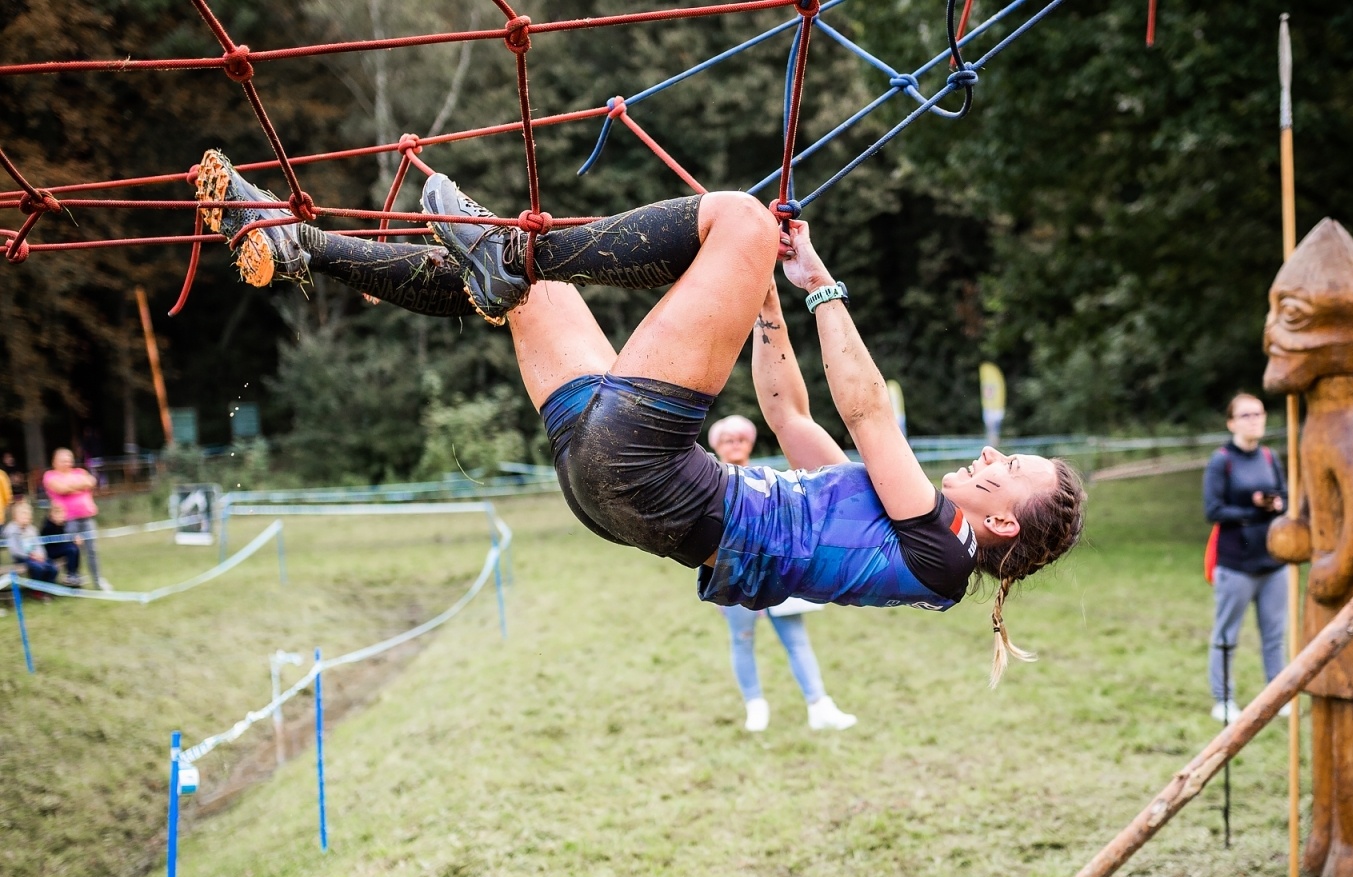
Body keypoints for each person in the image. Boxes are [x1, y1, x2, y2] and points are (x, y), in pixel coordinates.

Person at [197, 151, 1085, 682]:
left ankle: (507, 252)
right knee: (518, 297)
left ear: (1001, 518)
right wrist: (765, 306)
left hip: (656, 482)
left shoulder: (938, 550)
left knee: (734, 218)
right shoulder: (896, 532)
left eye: (1008, 468)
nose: (992, 452)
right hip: (615, 494)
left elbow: (868, 411)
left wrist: (820, 284)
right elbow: (787, 410)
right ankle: (297, 242)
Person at [705, 415, 853, 731]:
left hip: (777, 569)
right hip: (735, 571)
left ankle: (819, 705)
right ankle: (755, 707)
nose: (735, 443)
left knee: (796, 639)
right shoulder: (710, 482)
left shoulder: (766, 477)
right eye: (727, 439)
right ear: (716, 444)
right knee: (742, 639)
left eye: (740, 438)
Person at [1203, 393, 1287, 722]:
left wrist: (1277, 504)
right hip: (1235, 563)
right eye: (1246, 415)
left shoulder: (1269, 456)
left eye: (1259, 414)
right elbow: (1213, 510)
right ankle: (1223, 700)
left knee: (1274, 633)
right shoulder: (1221, 460)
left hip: (1273, 561)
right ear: (1232, 422)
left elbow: (1286, 497)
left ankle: (1277, 695)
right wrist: (1253, 508)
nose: (1254, 420)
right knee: (1227, 634)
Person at [40, 448, 110, 590]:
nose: (67, 462)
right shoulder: (50, 475)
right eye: (63, 460)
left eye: (69, 459)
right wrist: (79, 486)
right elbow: (61, 489)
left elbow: (91, 481)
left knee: (92, 550)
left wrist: (72, 487)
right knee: (72, 550)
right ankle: (73, 580)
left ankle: (98, 581)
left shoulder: (80, 472)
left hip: (87, 517)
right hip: (67, 520)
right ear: (54, 462)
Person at [4, 499, 70, 585]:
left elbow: (39, 545)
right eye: (23, 515)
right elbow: (15, 550)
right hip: (22, 558)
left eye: (28, 515)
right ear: (15, 517)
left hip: (36, 557)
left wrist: (41, 555)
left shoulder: (32, 530)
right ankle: (37, 590)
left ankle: (49, 588)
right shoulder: (12, 530)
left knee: (52, 567)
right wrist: (31, 556)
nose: (26, 517)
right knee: (38, 568)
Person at [39, 501, 84, 587]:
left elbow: (63, 539)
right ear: (52, 515)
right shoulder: (48, 526)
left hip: (59, 548)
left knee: (74, 548)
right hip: (49, 551)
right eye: (59, 514)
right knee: (71, 549)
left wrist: (73, 540)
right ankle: (71, 574)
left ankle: (74, 573)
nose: (62, 517)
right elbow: (56, 541)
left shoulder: (62, 525)